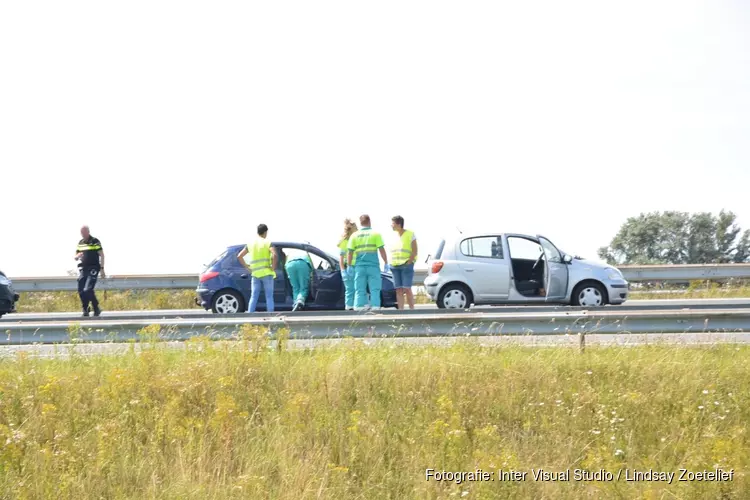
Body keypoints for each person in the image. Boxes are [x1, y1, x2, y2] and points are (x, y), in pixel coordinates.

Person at [347, 214, 388, 311]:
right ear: (370, 221)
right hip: (373, 266)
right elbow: (381, 250)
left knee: (359, 288)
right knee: (374, 288)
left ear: (360, 223)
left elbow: (350, 252)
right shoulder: (375, 234)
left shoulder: (354, 235)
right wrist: (386, 262)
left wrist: (349, 265)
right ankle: (375, 307)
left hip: (359, 267)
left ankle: (359, 307)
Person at [238, 224, 277, 313]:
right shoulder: (267, 242)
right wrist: (273, 267)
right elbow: (274, 255)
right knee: (269, 296)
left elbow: (239, 256)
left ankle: (250, 317)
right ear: (265, 232)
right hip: (267, 273)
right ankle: (270, 317)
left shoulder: (250, 244)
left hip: (255, 274)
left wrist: (247, 267)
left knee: (254, 296)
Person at [74, 225, 105, 317]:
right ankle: (86, 308)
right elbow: (76, 255)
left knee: (88, 289)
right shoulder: (80, 242)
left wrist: (102, 269)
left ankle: (96, 307)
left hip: (93, 268)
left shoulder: (95, 241)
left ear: (88, 232)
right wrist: (77, 256)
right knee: (81, 288)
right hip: (84, 268)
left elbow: (102, 255)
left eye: (84, 232)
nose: (83, 234)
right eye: (81, 233)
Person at [389, 215, 418, 310]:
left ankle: (411, 310)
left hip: (406, 265)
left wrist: (409, 262)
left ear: (399, 224)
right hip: (395, 266)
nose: (391, 225)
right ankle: (401, 311)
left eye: (393, 223)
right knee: (398, 290)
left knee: (407, 288)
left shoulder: (410, 234)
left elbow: (414, 250)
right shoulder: (393, 236)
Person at [337, 219, 358, 310]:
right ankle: (349, 308)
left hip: (357, 267)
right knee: (350, 290)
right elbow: (341, 257)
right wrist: (343, 271)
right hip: (349, 267)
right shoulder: (344, 241)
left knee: (357, 289)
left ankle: (355, 307)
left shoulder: (357, 240)